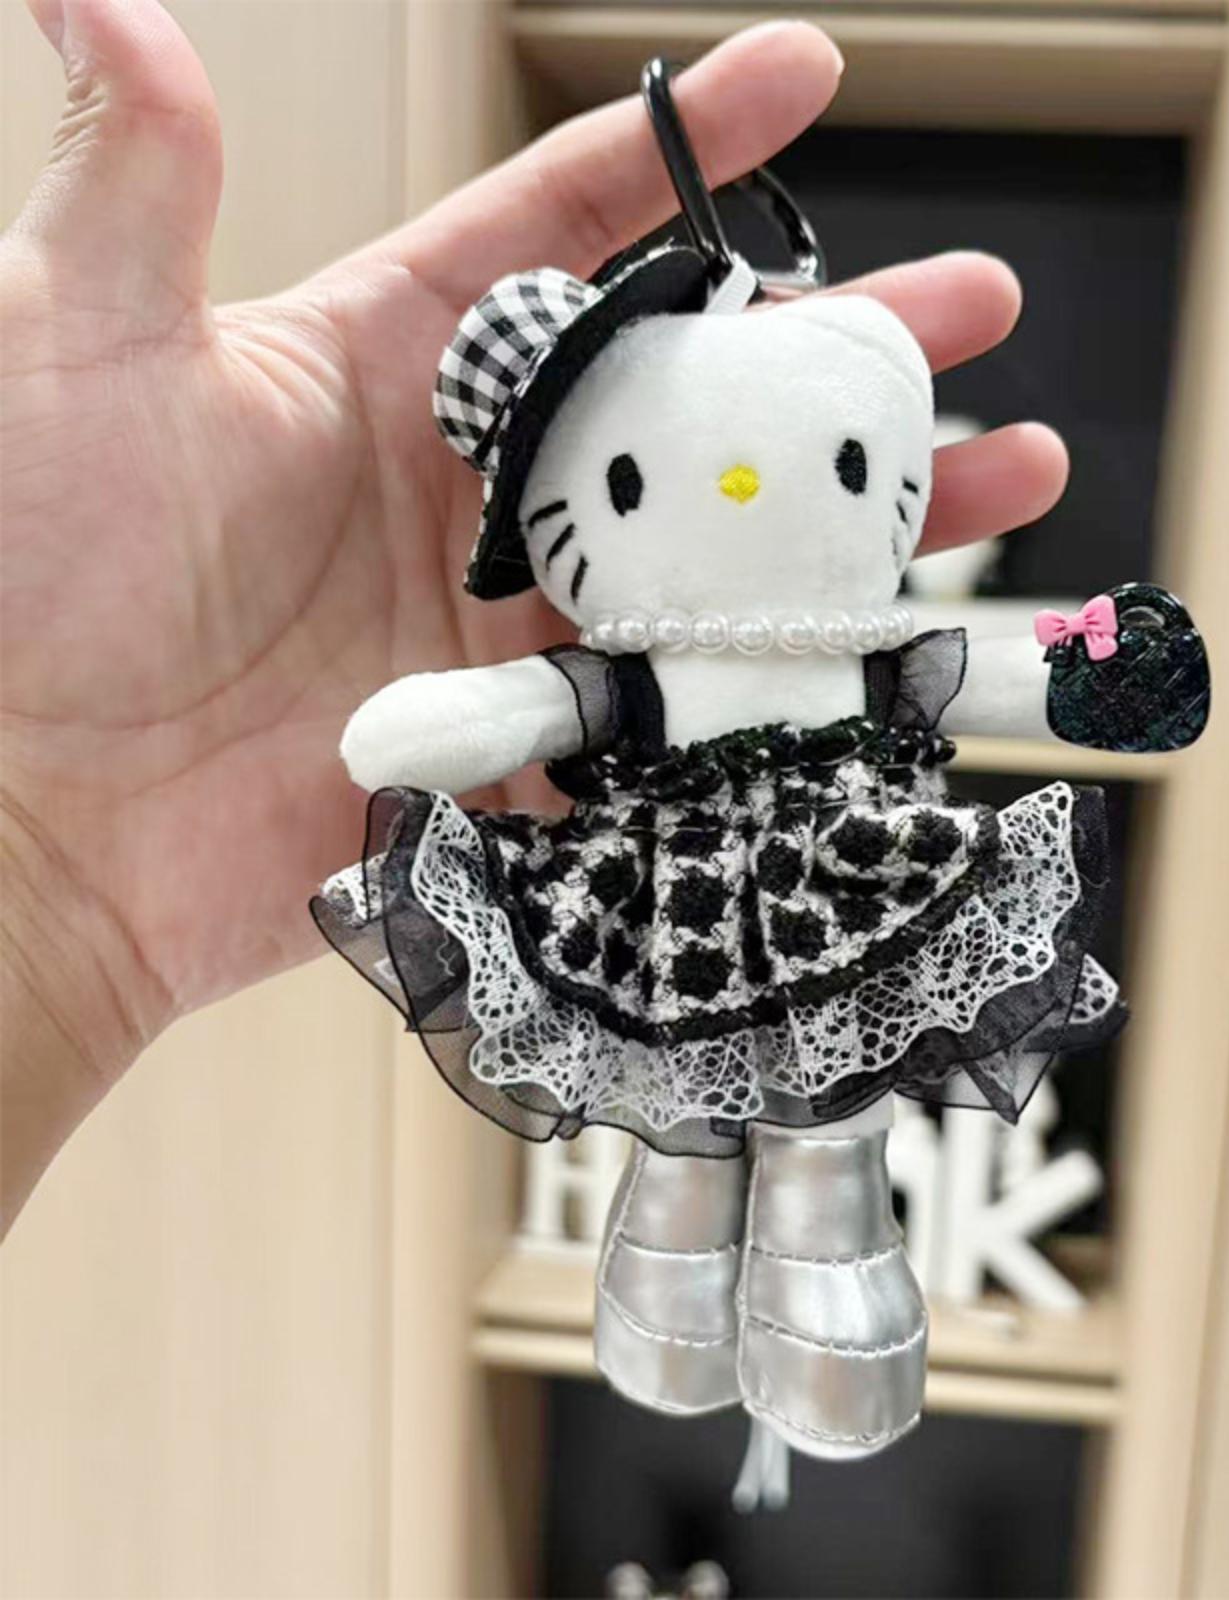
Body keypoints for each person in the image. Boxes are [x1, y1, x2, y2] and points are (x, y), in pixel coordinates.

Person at [0, 0, 1069, 1236]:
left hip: (854, 874)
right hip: (666, 900)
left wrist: (1092, 675)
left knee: (843, 1111)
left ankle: (838, 1267)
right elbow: (536, 703)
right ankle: (672, 1270)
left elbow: (972, 675)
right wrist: (36, 873)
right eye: (628, 483)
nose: (733, 486)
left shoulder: (863, 662)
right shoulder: (630, 675)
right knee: (678, 1120)